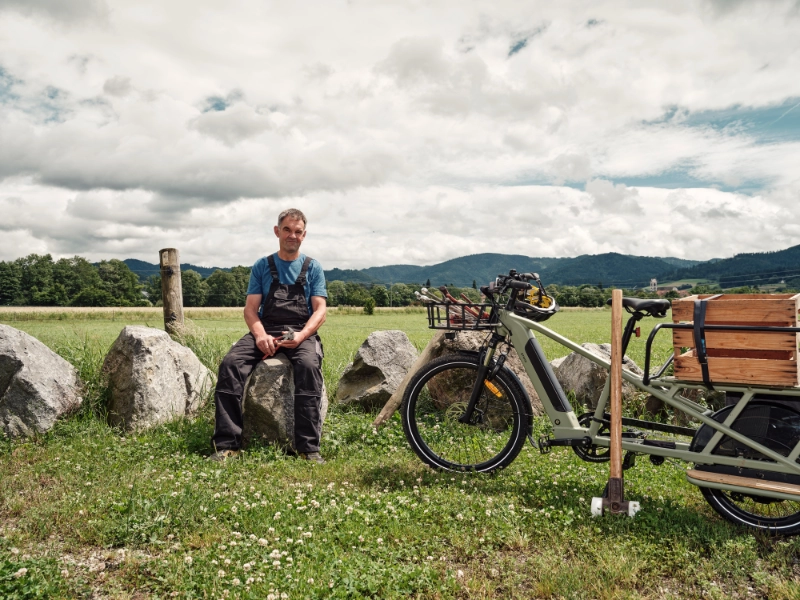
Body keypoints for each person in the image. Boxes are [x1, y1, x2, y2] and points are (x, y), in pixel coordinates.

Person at [209, 208, 328, 463]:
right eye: (287, 230)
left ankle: (308, 448)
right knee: (231, 364)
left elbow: (320, 311)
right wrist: (261, 336)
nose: (292, 235)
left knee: (309, 366)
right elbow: (251, 309)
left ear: (304, 235)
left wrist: (301, 336)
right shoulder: (263, 266)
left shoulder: (313, 267)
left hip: (300, 330)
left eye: (297, 231)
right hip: (267, 328)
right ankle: (227, 445)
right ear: (277, 231)